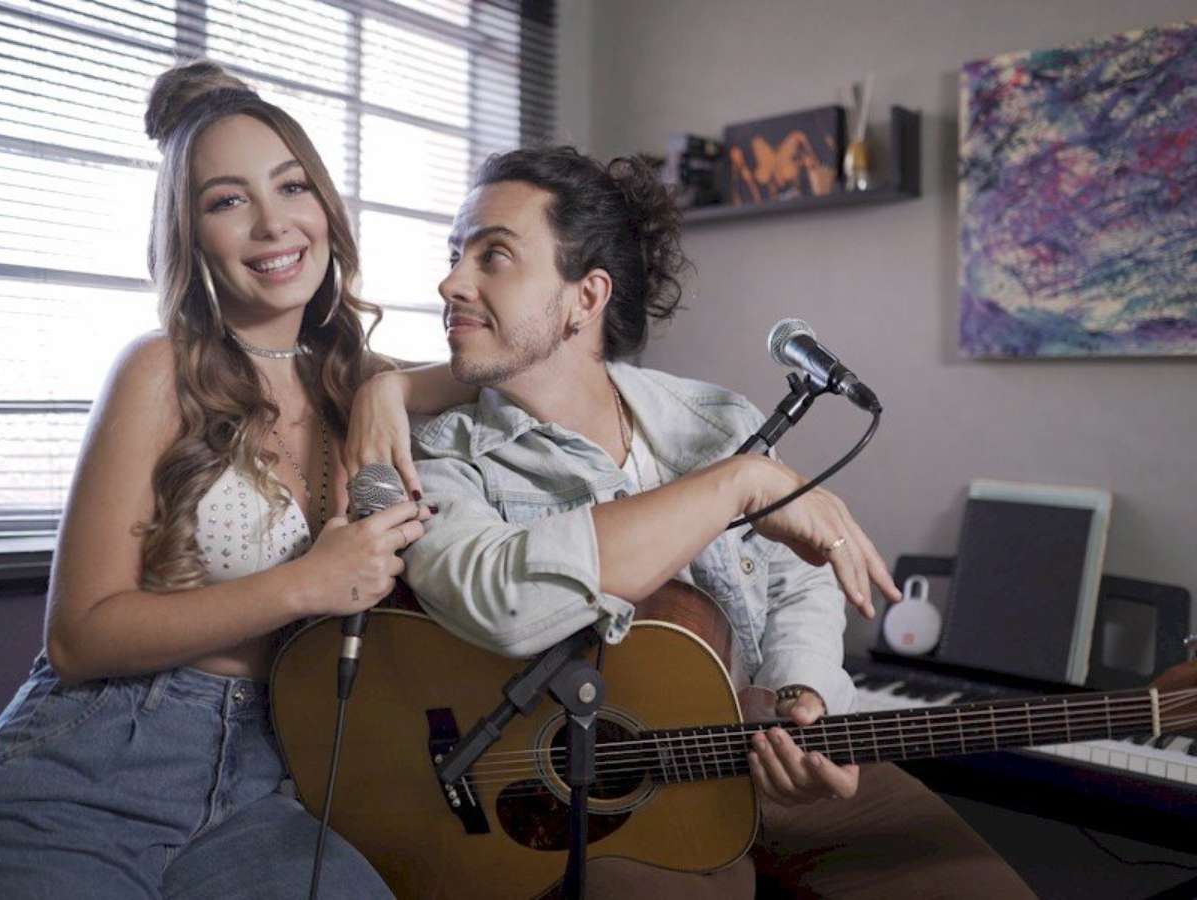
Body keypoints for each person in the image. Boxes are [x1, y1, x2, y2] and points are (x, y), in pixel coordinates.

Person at [388, 146, 1037, 899]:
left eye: (493, 256)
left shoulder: (716, 421)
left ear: (585, 297)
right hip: (597, 795)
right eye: (454, 255)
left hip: (759, 751)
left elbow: (801, 584)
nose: (451, 282)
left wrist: (805, 698)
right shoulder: (441, 454)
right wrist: (735, 484)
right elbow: (496, 600)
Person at [0, 61, 468, 899]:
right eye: (227, 201)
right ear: (190, 234)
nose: (272, 224)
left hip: (266, 779)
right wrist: (305, 584)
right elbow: (77, 638)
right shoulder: (158, 371)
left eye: (291, 186)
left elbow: (504, 369)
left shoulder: (357, 384)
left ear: (325, 205)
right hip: (99, 754)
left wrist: (388, 388)